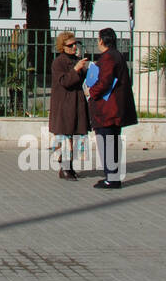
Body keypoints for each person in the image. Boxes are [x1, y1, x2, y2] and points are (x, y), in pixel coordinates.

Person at [86, 27, 136, 189]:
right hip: (114, 109)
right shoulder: (117, 56)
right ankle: (111, 176)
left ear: (101, 40)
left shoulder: (108, 58)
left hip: (107, 110)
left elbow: (105, 81)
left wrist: (91, 91)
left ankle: (112, 178)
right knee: (111, 143)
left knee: (107, 143)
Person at [49, 29, 90, 180]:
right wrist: (76, 69)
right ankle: (65, 167)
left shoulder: (75, 60)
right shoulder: (59, 62)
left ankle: (70, 166)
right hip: (64, 105)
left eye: (75, 44)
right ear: (63, 47)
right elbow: (64, 81)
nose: (74, 47)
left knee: (75, 138)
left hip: (76, 103)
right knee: (66, 138)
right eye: (70, 45)